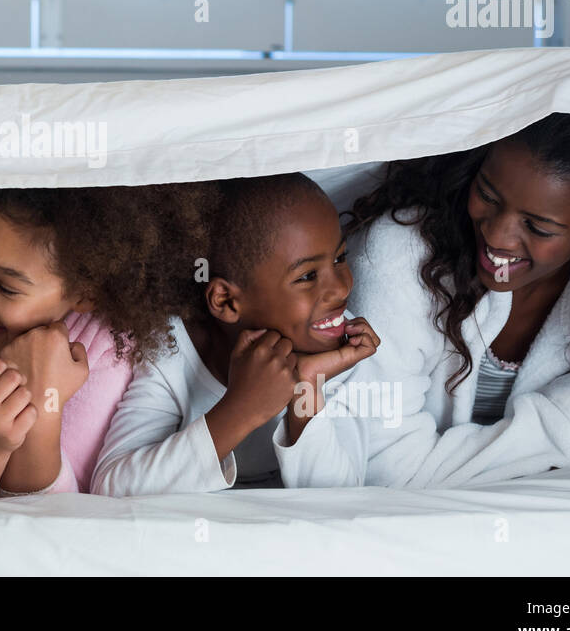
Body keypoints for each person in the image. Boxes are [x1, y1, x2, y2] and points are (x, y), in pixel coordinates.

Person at [285, 113, 570, 488]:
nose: (498, 237)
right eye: (488, 195)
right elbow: (387, 468)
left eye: (538, 226)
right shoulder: (402, 256)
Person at [0, 184, 210, 499]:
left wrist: (45, 411)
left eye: (7, 287)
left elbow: (56, 521)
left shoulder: (108, 338)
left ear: (83, 293)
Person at [92, 174, 378, 496]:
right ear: (226, 301)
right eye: (308, 276)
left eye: (340, 258)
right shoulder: (171, 351)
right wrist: (241, 409)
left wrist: (307, 389)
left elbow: (340, 497)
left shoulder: (338, 344)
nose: (342, 287)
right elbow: (113, 489)